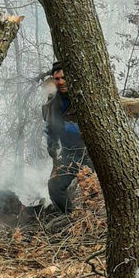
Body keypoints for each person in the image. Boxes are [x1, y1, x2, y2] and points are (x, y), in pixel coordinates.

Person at [42, 63, 92, 212]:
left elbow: (92, 126)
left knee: (92, 189)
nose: (61, 82)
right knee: (55, 186)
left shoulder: (84, 97)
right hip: (69, 153)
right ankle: (71, 219)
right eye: (57, 79)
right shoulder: (51, 103)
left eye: (64, 78)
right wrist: (51, 144)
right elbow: (50, 128)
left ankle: (92, 220)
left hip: (91, 153)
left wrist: (65, 127)